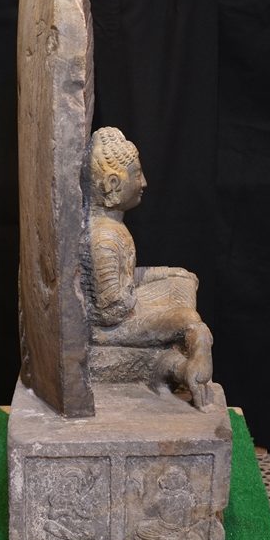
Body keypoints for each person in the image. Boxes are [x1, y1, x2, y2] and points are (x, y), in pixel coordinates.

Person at [82, 127, 214, 408]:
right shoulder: (104, 238)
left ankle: (179, 356)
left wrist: (165, 273)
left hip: (124, 309)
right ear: (114, 183)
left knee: (181, 281)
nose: (144, 182)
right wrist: (144, 299)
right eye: (137, 174)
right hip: (110, 328)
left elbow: (128, 276)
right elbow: (109, 312)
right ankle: (197, 344)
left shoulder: (113, 228)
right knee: (185, 316)